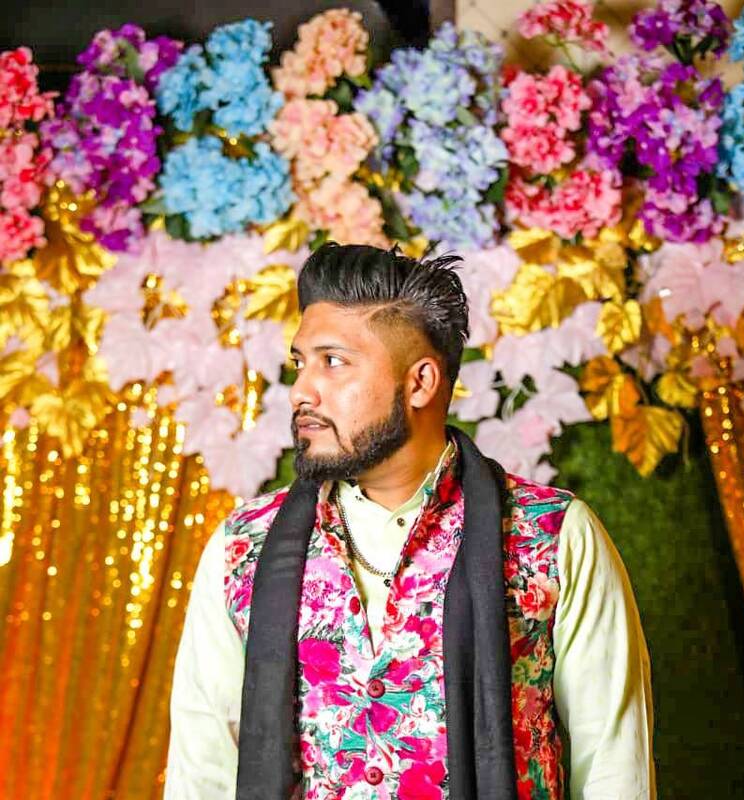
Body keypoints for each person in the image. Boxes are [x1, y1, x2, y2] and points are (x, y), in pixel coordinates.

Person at [164, 243, 656, 800]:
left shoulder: (550, 535)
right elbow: (201, 772)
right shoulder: (243, 546)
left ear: (420, 382)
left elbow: (614, 765)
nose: (301, 390)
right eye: (301, 363)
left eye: (333, 362)